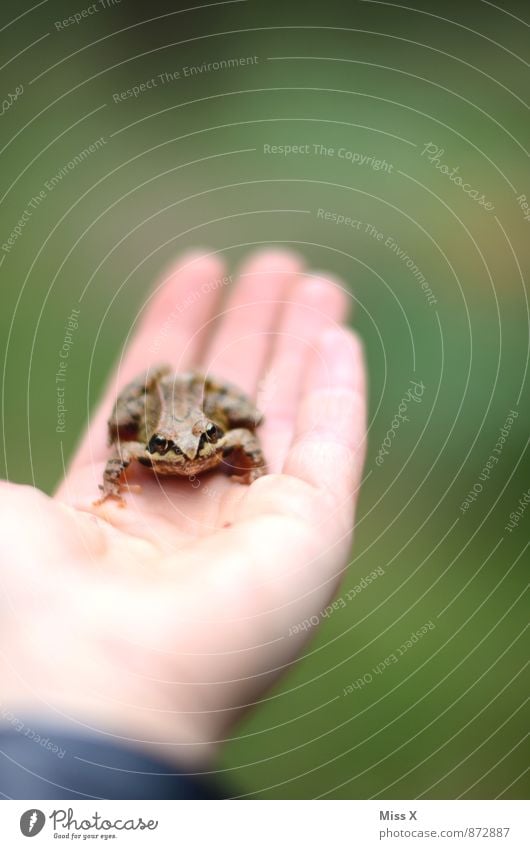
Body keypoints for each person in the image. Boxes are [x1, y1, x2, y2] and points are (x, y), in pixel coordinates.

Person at [0, 249, 366, 798]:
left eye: (203, 449)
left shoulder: (217, 443)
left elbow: (243, 439)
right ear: (159, 447)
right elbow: (123, 451)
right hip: (163, 401)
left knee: (240, 416)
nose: (190, 458)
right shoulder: (150, 451)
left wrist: (251, 470)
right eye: (173, 451)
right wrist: (111, 487)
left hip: (199, 399)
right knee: (125, 419)